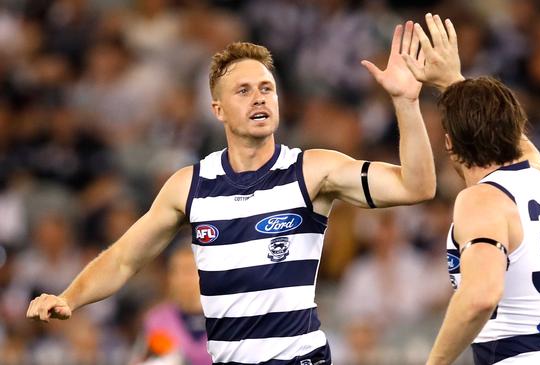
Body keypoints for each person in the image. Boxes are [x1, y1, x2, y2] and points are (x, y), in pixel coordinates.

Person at [26, 21, 436, 365]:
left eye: (267, 88)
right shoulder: (190, 184)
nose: (259, 97)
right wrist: (70, 298)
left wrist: (405, 103)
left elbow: (417, 186)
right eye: (243, 90)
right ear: (217, 109)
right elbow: (122, 259)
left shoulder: (312, 171)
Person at [403, 14, 540, 364]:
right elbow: (517, 140)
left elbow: (481, 296)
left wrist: (434, 362)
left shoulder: (482, 198)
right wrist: (452, 79)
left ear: (450, 145)